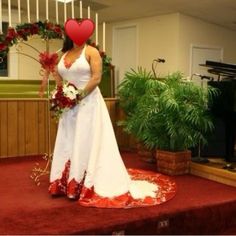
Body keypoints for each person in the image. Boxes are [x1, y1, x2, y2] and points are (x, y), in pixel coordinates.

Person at [46, 20, 176, 208]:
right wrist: (60, 93)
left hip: (88, 103)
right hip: (68, 106)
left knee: (87, 140)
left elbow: (96, 78)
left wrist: (77, 95)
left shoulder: (91, 52)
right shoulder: (63, 54)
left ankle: (85, 183)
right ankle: (66, 182)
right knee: (69, 141)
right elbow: (59, 78)